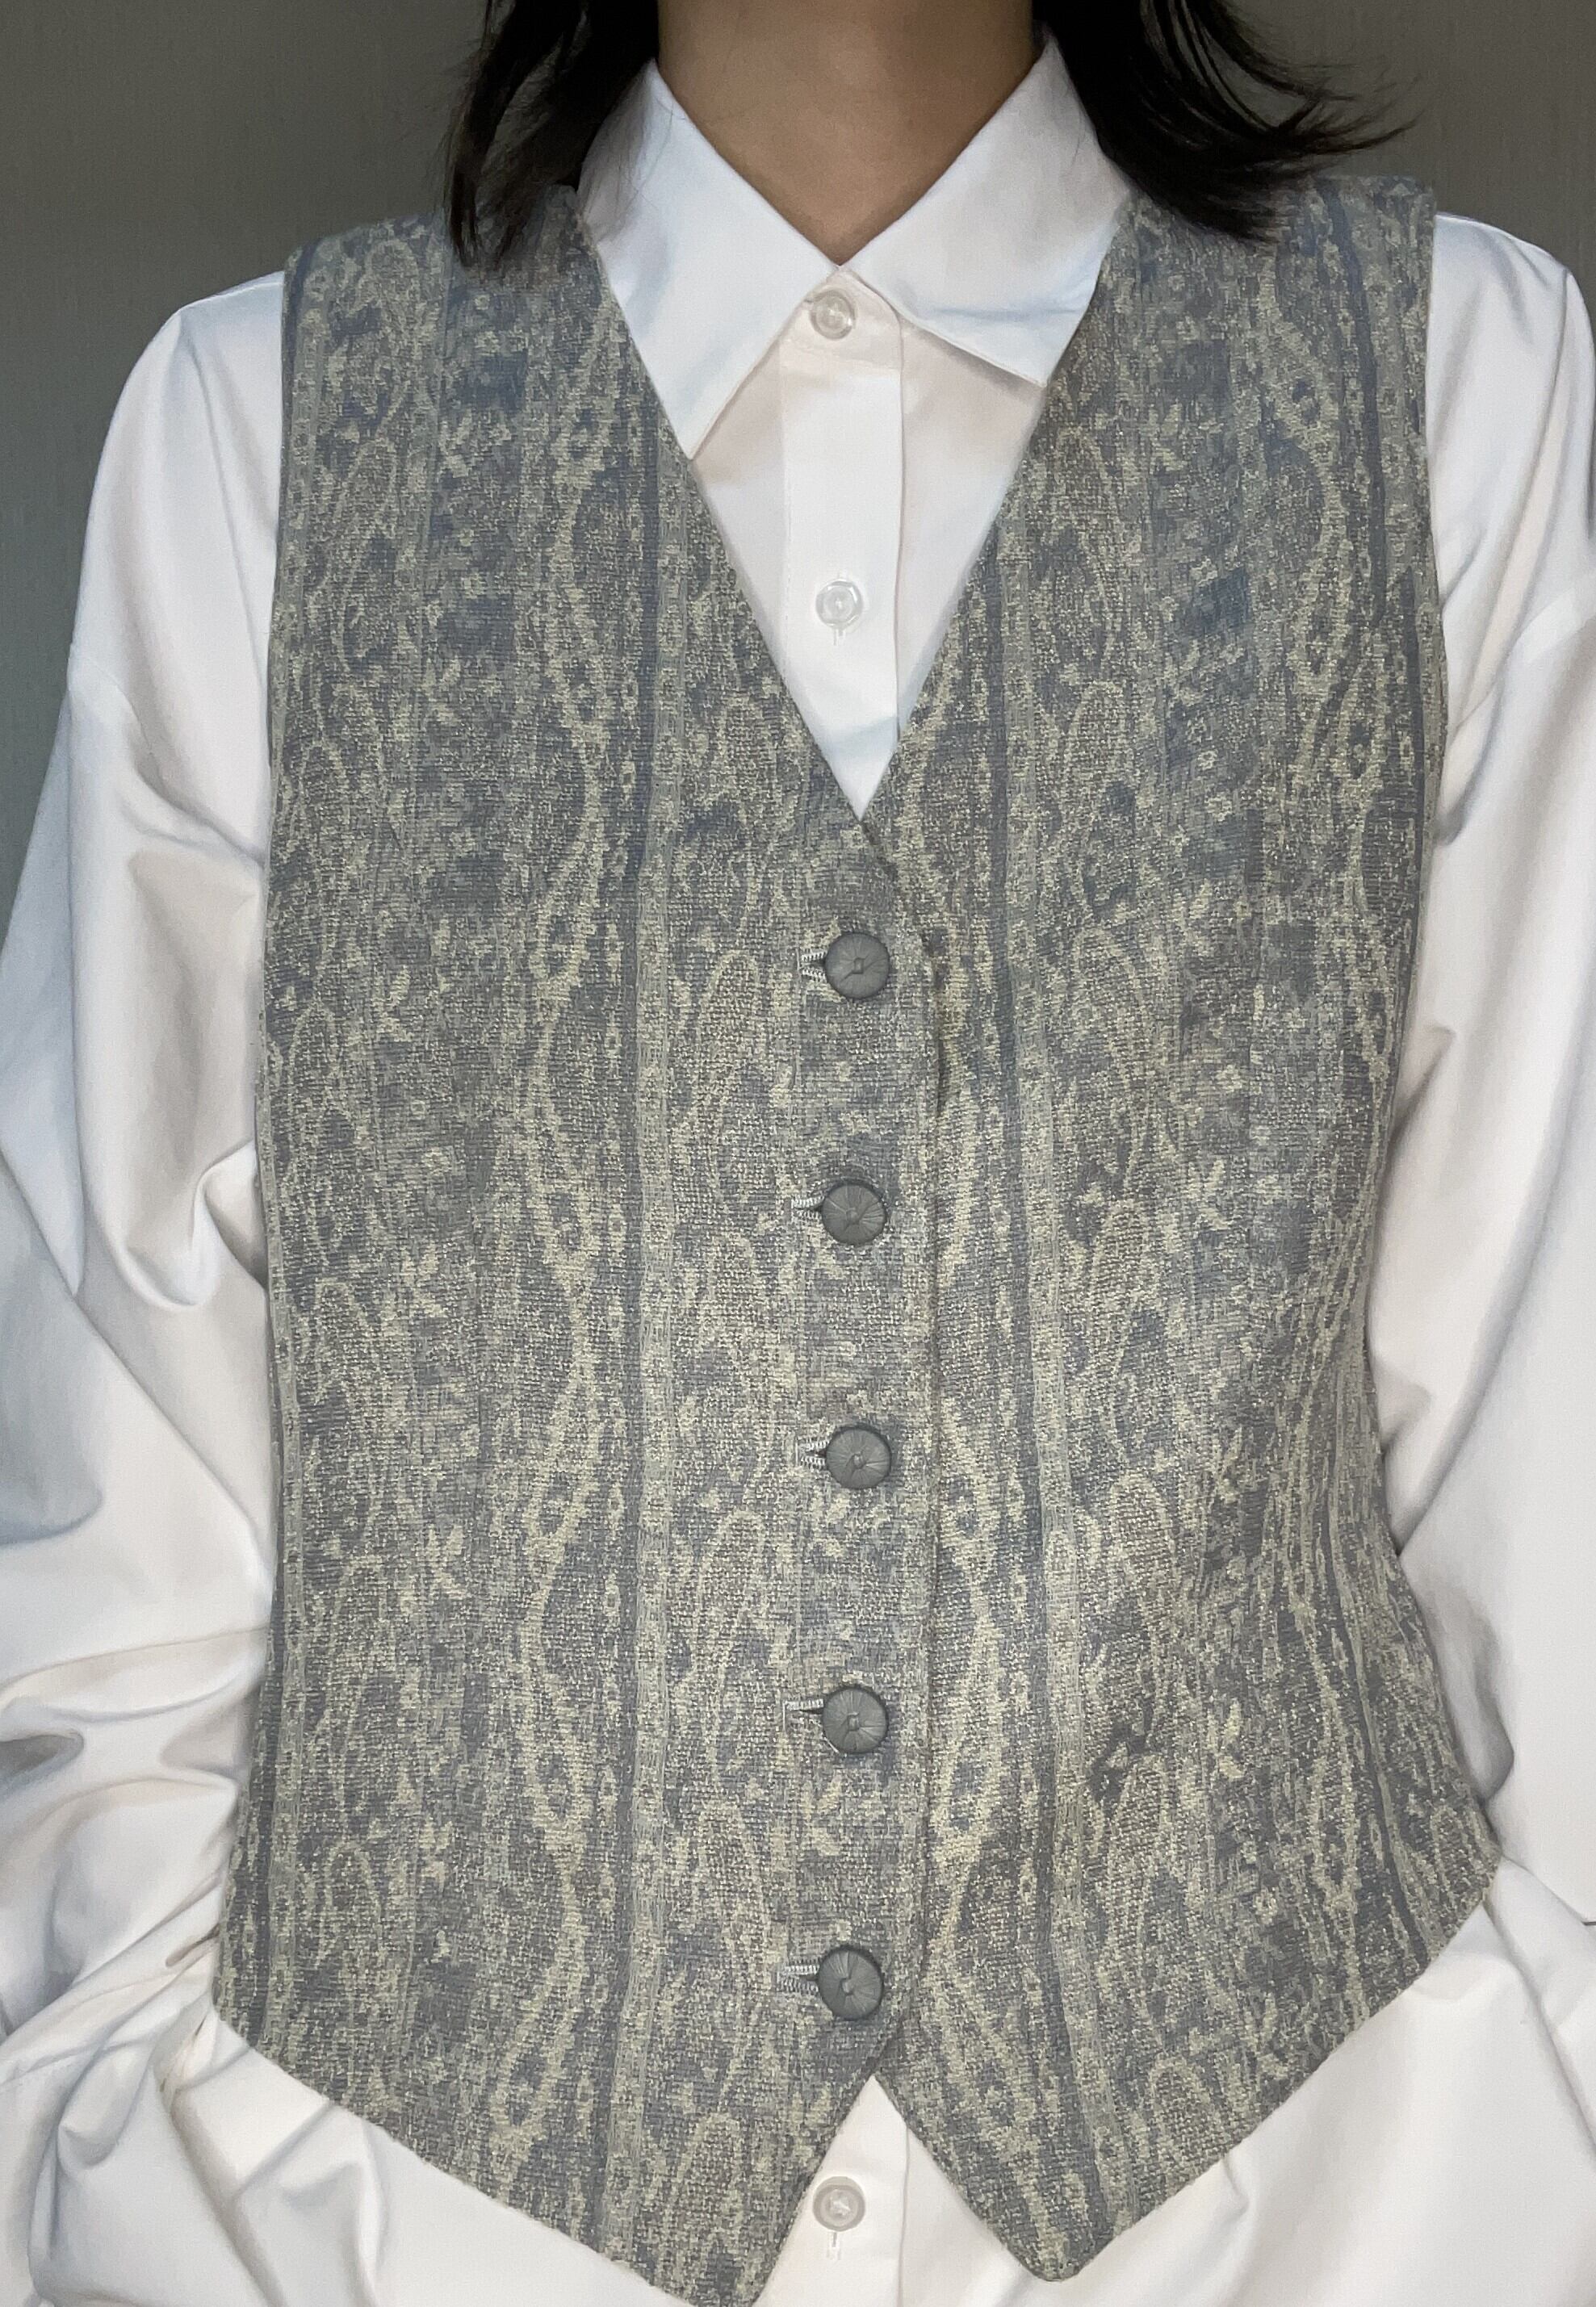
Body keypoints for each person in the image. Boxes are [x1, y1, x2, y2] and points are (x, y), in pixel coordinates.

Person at [2, 2, 1594, 2301]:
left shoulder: (1453, 377)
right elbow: (115, 1460)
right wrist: (122, 2147)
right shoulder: (256, 429)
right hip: (375, 2222)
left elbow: (1547, 1397)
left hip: (1340, 2198)